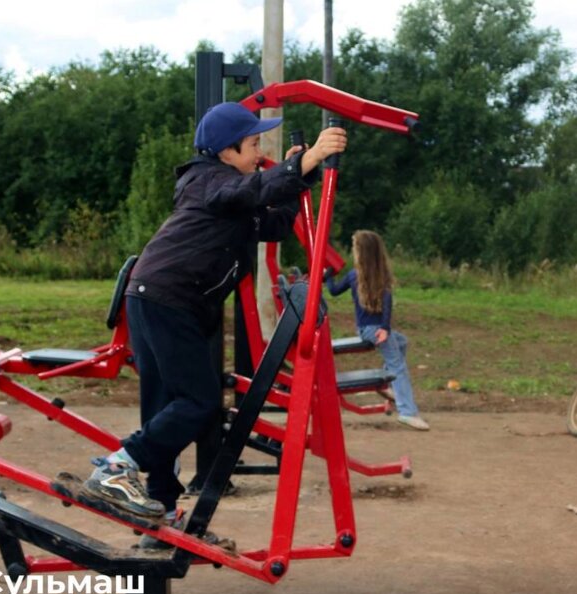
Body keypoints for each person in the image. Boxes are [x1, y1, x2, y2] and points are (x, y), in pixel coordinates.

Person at [80, 102, 348, 530]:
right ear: (227, 150)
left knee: (164, 406)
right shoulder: (211, 181)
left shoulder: (229, 190)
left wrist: (303, 174)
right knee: (199, 401)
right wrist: (308, 159)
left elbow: (274, 223)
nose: (261, 153)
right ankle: (116, 468)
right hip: (169, 298)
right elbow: (252, 191)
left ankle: (160, 509)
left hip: (156, 297)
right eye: (254, 143)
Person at [327, 230, 430, 431]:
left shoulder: (354, 275)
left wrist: (328, 275)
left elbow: (333, 290)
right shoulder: (376, 275)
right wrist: (384, 328)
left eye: (354, 248)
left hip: (368, 330)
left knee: (401, 342)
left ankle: (387, 385)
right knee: (397, 366)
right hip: (376, 330)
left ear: (361, 252)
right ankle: (407, 412)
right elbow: (387, 303)